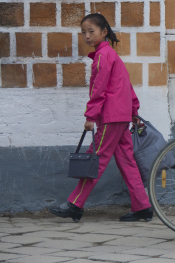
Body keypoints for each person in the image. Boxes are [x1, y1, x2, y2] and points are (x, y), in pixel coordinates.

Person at [49, 13, 152, 223]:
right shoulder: (112, 55)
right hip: (120, 117)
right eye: (83, 32)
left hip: (110, 117)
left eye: (91, 31)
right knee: (126, 161)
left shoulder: (103, 56)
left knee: (95, 160)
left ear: (104, 32)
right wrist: (133, 112)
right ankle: (143, 206)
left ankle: (75, 204)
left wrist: (90, 116)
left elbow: (99, 89)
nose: (87, 36)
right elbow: (128, 87)